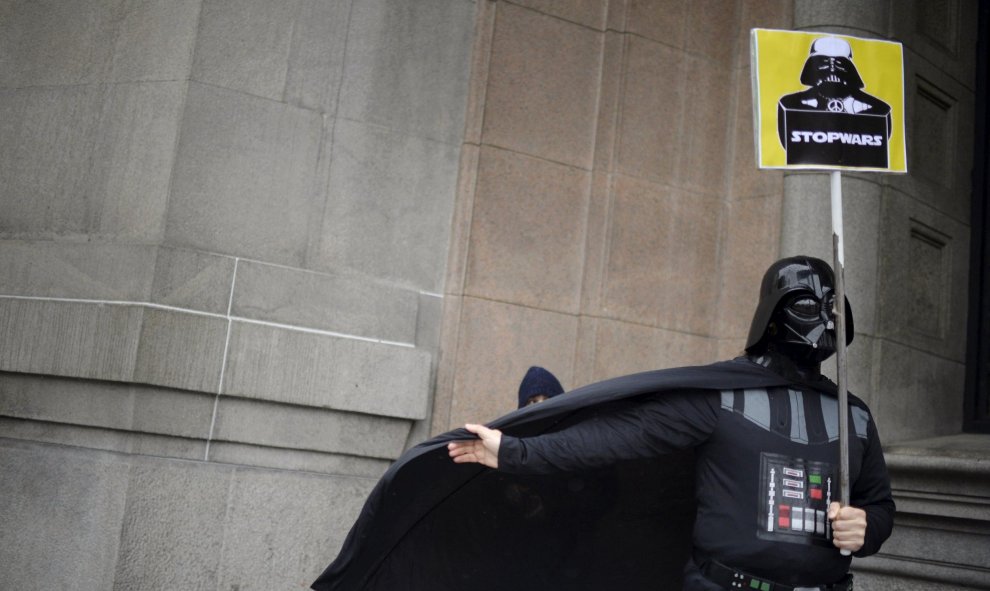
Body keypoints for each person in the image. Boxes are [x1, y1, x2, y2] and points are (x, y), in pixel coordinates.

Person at [448, 256, 894, 590]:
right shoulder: (722, 396)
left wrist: (866, 528)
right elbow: (616, 437)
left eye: (829, 309)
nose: (819, 321)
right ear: (774, 314)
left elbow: (879, 505)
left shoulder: (853, 416)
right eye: (804, 306)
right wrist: (515, 451)